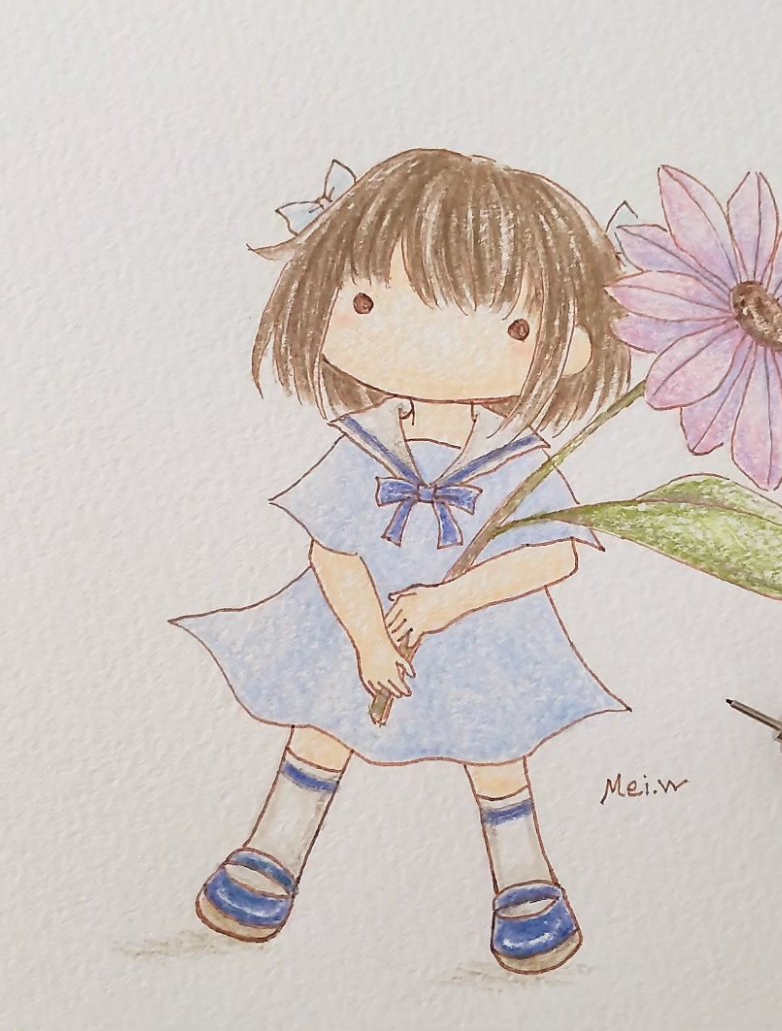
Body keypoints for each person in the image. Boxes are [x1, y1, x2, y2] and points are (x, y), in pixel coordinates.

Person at [173, 148, 630, 974]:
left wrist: (446, 603)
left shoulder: (516, 458)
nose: (431, 342)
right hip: (360, 628)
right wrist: (369, 641)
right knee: (323, 725)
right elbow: (332, 549)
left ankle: (525, 881)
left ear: (567, 348)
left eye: (506, 324)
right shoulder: (362, 444)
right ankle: (272, 853)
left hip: (482, 636)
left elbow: (553, 556)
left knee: (497, 749)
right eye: (371, 301)